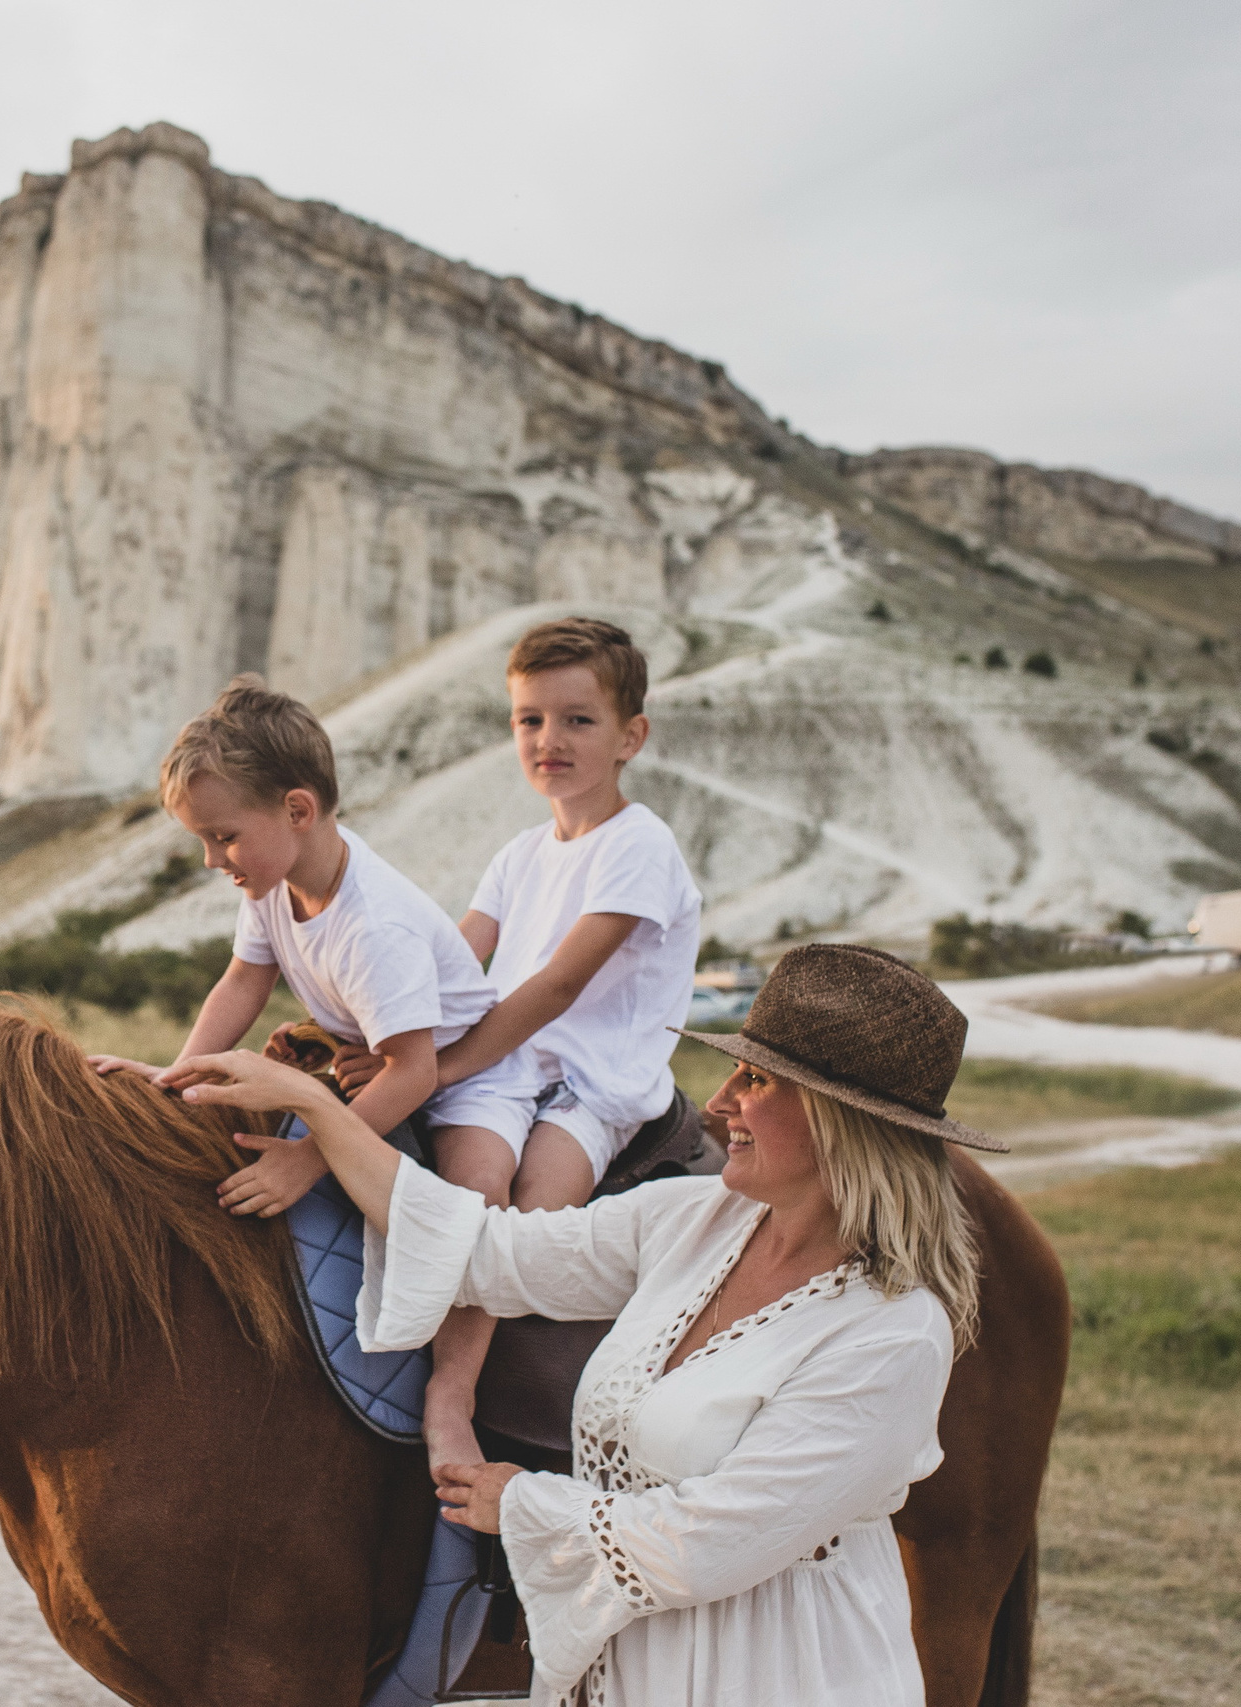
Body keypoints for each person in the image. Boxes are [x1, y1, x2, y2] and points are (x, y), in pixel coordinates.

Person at [165, 943, 996, 1706]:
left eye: (756, 1081)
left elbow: (707, 1544)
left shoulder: (892, 1335)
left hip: (776, 1677)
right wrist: (317, 1105)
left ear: (838, 1121)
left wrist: (519, 1501)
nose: (720, 1102)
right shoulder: (694, 1221)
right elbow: (484, 1250)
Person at [84, 675, 540, 1266]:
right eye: (203, 840)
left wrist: (308, 1160)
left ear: (297, 810)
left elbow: (414, 1073)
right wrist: (176, 1077)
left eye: (224, 837)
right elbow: (243, 982)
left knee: (471, 1200)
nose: (212, 859)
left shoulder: (375, 926)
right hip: (379, 1058)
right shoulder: (271, 884)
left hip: (467, 1080)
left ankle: (477, 1330)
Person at [405, 617, 702, 1465]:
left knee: (535, 1215)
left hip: (595, 1080)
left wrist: (446, 1065)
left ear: (629, 736)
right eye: (530, 719)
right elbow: (457, 959)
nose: (550, 739)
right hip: (506, 1065)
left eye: (578, 719)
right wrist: (371, 1019)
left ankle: (452, 1392)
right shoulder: (519, 854)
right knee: (474, 1186)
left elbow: (560, 984)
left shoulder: (639, 845)